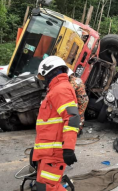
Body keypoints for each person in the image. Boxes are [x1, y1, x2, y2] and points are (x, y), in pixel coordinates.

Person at [33, 56, 80, 191]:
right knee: (46, 187)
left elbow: (72, 118)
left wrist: (68, 148)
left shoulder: (60, 89)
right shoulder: (56, 90)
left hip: (53, 154)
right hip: (48, 153)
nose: (44, 81)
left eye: (44, 76)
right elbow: (49, 126)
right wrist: (37, 151)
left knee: (48, 188)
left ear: (49, 72)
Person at [68, 68, 88, 135]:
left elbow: (70, 90)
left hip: (81, 100)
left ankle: (78, 131)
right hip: (84, 99)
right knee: (81, 114)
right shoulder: (78, 79)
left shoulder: (73, 82)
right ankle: (80, 128)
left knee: (79, 115)